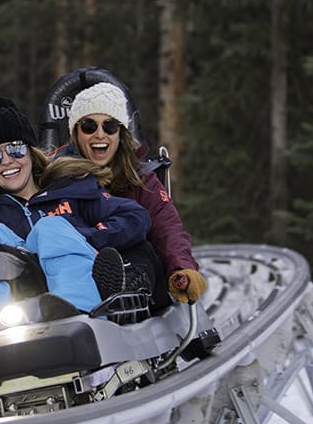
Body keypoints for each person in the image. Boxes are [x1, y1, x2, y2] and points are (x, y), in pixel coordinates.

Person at [0, 97, 152, 344]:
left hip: (74, 292)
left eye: (15, 149)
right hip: (18, 303)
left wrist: (81, 237)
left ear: (31, 151)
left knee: (51, 229)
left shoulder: (71, 192)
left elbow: (135, 216)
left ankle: (77, 307)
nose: (6, 161)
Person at [58, 81, 209, 311]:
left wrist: (182, 267)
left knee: (139, 247)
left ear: (121, 134)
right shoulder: (60, 179)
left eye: (109, 126)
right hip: (80, 267)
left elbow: (167, 227)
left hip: (139, 269)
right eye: (89, 126)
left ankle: (127, 294)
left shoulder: (141, 180)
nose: (100, 134)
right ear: (76, 134)